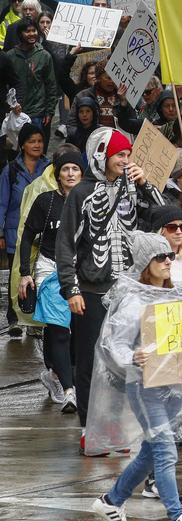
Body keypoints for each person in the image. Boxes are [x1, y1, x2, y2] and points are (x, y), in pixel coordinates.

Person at [56, 128, 164, 447]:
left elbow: (164, 214)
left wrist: (145, 184)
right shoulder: (81, 194)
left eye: (128, 154)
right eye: (119, 154)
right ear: (102, 155)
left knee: (124, 359)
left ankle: (116, 422)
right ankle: (90, 425)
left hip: (127, 288)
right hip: (91, 289)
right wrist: (71, 289)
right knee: (90, 360)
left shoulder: (133, 189)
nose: (125, 160)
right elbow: (66, 245)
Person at [88, 232, 182, 521]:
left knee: (151, 451)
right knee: (164, 450)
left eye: (170, 256)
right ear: (145, 263)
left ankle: (111, 501)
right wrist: (131, 357)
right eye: (159, 257)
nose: (167, 261)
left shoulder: (178, 294)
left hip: (174, 385)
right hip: (145, 386)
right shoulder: (135, 300)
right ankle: (177, 517)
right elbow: (113, 342)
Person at [16, 148, 82, 411]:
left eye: (75, 169)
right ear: (57, 173)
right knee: (58, 329)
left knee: (77, 331)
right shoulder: (45, 201)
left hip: (80, 271)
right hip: (50, 269)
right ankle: (69, 391)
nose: (70, 173)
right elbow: (27, 237)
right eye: (65, 169)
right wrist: (24, 273)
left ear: (82, 173)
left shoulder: (90, 199)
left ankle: (55, 373)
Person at [0, 123, 48, 270]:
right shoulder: (10, 171)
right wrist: (0, 234)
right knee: (15, 285)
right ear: (22, 145)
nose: (37, 145)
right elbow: (1, 204)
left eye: (39, 141)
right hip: (15, 236)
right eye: (31, 141)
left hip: (43, 236)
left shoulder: (49, 169)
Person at [8, 18, 59, 139]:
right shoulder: (10, 56)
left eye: (34, 30)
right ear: (20, 34)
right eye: (27, 31)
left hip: (37, 113)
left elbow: (51, 85)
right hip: (15, 112)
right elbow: (6, 85)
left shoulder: (44, 56)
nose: (32, 34)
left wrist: (49, 111)